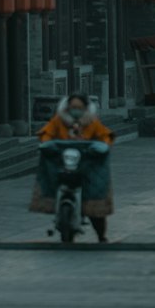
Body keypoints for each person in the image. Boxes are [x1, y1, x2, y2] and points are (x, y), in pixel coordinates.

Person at [34, 94, 115, 242]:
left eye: (79, 108)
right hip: (63, 162)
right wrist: (47, 144)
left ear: (85, 108)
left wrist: (103, 146)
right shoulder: (59, 121)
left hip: (87, 164)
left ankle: (101, 235)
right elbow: (47, 133)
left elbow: (104, 136)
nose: (75, 110)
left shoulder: (92, 122)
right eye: (73, 107)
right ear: (67, 107)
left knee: (94, 203)